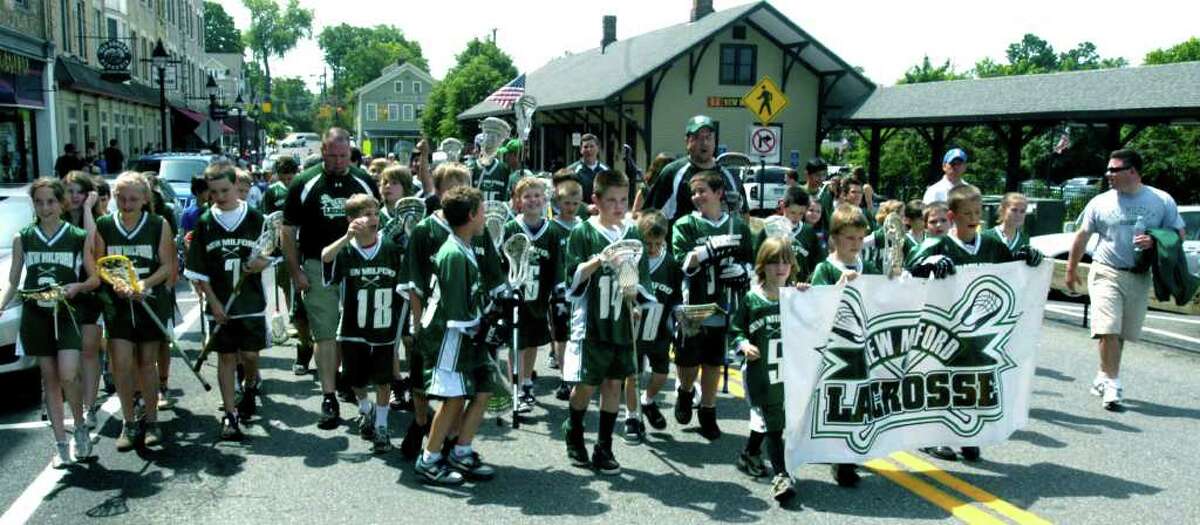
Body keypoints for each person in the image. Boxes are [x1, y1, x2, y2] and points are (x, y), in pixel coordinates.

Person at [907, 184, 1042, 461]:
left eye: (978, 212)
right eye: (967, 212)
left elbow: (1010, 272)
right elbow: (910, 271)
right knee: (939, 381)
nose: (973, 217)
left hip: (976, 327)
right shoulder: (939, 244)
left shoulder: (991, 244)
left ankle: (967, 433)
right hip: (941, 326)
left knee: (972, 380)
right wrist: (929, 265)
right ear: (953, 217)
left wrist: (1026, 259)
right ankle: (932, 437)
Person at [1066, 149, 1185, 411]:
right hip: (1106, 270)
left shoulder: (1161, 200)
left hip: (1139, 276)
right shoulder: (1100, 202)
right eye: (1108, 169)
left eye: (1114, 170)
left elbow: (1179, 233)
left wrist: (1155, 240)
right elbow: (1082, 236)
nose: (1108, 174)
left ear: (1132, 172)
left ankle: (1102, 374)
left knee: (1119, 333)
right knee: (1108, 327)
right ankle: (1112, 382)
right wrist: (1071, 269)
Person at [280, 128, 380, 430]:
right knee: (324, 333)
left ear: (350, 152)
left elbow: (378, 222)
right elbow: (288, 231)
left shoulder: (362, 180)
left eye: (343, 155)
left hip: (356, 264)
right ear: (323, 152)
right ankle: (328, 397)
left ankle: (348, 381)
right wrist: (295, 271)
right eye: (332, 155)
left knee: (353, 329)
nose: (338, 161)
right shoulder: (304, 182)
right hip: (316, 264)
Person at [402, 163, 503, 459]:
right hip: (448, 328)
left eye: (463, 185)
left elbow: (492, 276)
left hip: (469, 326)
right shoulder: (439, 240)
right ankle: (426, 440)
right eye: (450, 187)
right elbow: (417, 284)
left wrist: (503, 302)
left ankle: (456, 445)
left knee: (473, 390)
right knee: (441, 390)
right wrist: (417, 324)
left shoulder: (475, 235)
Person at [1, 178, 98, 467]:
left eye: (51, 201)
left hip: (66, 311)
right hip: (36, 314)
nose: (45, 207)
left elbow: (94, 278)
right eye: (40, 202)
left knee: (69, 374)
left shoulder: (77, 235)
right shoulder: (23, 238)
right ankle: (61, 443)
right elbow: (13, 281)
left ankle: (79, 426)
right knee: (51, 380)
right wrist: (2, 305)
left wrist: (77, 288)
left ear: (62, 203)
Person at [561, 169, 652, 474]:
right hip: (592, 321)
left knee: (614, 383)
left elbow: (635, 274)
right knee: (587, 384)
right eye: (611, 200)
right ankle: (574, 432)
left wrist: (633, 294)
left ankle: (604, 446)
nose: (618, 206)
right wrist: (600, 259)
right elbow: (572, 280)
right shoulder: (582, 233)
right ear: (596, 200)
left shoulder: (632, 232)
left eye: (623, 200)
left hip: (620, 319)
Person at [184, 162, 270, 441]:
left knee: (251, 356)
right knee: (226, 357)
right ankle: (230, 415)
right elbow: (199, 270)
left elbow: (271, 253)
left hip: (250, 302)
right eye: (214, 191)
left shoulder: (255, 218)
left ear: (237, 186)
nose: (220, 196)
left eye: (225, 190)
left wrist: (259, 263)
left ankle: (249, 384)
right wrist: (214, 303)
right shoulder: (206, 223)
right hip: (220, 303)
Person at [94, 172, 175, 451]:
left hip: (148, 300)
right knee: (121, 363)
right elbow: (98, 265)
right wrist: (116, 283)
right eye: (121, 198)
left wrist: (144, 283)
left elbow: (167, 265)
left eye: (133, 198)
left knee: (147, 362)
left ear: (144, 199)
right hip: (117, 303)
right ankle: (129, 422)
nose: (126, 203)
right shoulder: (104, 224)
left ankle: (151, 421)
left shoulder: (157, 224)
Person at [670, 170, 753, 440]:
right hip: (693, 303)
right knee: (688, 361)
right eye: (694, 193)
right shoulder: (685, 224)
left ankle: (708, 409)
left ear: (719, 193)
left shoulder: (738, 226)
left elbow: (751, 260)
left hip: (722, 303)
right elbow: (680, 262)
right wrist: (706, 252)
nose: (697, 197)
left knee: (713, 362)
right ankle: (684, 391)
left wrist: (743, 271)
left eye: (702, 191)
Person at [321, 194, 405, 453]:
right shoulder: (345, 250)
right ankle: (365, 408)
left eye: (376, 213)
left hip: (384, 326)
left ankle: (381, 426)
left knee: (383, 379)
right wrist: (346, 237)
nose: (373, 219)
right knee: (356, 379)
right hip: (353, 328)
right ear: (351, 219)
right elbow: (325, 257)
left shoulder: (390, 248)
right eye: (366, 214)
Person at [808, 203, 880, 488]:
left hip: (865, 345)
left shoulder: (869, 266)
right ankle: (839, 457)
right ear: (835, 238)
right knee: (837, 401)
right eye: (850, 238)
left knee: (860, 400)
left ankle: (849, 454)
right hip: (836, 348)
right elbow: (815, 306)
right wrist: (839, 286)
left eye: (860, 238)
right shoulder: (825, 268)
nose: (856, 244)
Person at [731, 237, 800, 503]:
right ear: (762, 265)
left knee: (769, 418)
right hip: (761, 372)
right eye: (773, 261)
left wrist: (809, 294)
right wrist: (744, 344)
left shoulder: (797, 296)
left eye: (785, 261)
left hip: (787, 372)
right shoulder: (752, 299)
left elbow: (819, 315)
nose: (780, 266)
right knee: (774, 423)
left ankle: (749, 453)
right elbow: (736, 330)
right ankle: (782, 475)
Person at [504, 177, 565, 415]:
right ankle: (516, 387)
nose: (533, 200)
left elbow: (557, 264)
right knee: (516, 342)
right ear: (518, 201)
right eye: (527, 196)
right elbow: (502, 261)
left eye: (537, 195)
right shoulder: (511, 228)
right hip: (516, 296)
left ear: (545, 199)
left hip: (539, 296)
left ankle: (527, 381)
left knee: (532, 343)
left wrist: (557, 291)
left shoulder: (552, 230)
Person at [622, 209, 680, 442]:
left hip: (659, 329)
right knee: (633, 375)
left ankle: (647, 400)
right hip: (635, 328)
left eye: (658, 243)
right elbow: (624, 290)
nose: (653, 248)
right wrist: (631, 304)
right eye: (648, 243)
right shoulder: (631, 260)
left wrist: (681, 314)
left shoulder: (671, 264)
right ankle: (632, 416)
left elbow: (676, 297)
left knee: (661, 374)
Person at [261, 156, 314, 375]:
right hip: (286, 252)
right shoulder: (272, 192)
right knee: (295, 304)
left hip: (312, 251)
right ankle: (304, 347)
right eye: (283, 176)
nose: (287, 180)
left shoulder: (308, 190)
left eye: (290, 175)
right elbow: (269, 222)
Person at [643, 116, 745, 223]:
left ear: (714, 141)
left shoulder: (729, 175)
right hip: (682, 238)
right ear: (687, 141)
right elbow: (649, 215)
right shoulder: (672, 173)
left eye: (708, 137)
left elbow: (744, 214)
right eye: (698, 138)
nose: (704, 143)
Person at [549, 171, 584, 400]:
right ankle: (565, 376)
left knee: (577, 334)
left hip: (581, 289)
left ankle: (577, 372)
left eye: (575, 203)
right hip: (559, 290)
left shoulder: (584, 226)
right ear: (557, 202)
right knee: (561, 336)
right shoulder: (552, 227)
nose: (570, 207)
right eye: (566, 203)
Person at [566, 134, 608, 205]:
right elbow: (568, 196)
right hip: (579, 213)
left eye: (592, 146)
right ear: (581, 150)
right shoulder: (572, 171)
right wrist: (586, 208)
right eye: (585, 147)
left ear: (597, 148)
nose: (589, 150)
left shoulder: (606, 171)